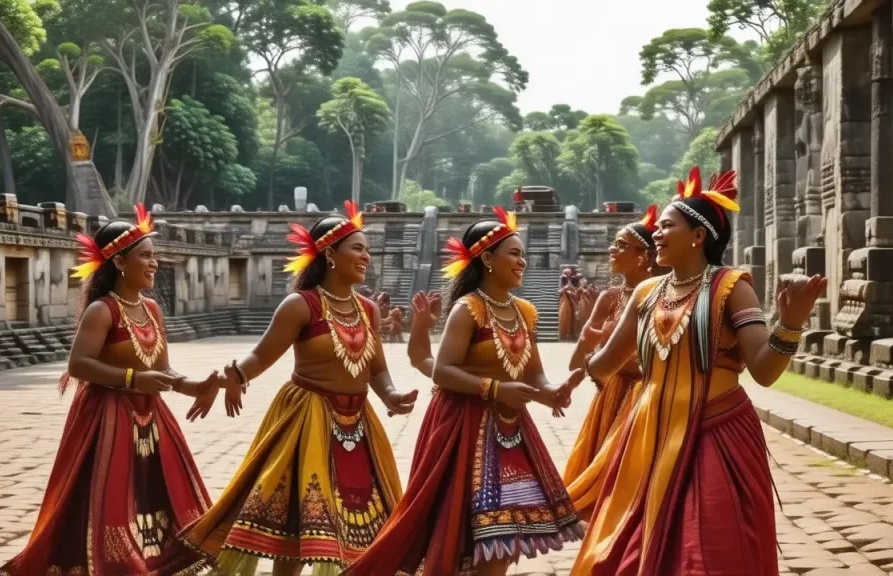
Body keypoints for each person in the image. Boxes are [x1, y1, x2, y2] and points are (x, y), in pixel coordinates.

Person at [571, 167, 826, 575]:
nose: (655, 233)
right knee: (629, 543)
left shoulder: (730, 287)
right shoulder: (646, 293)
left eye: (666, 225)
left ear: (698, 235)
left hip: (716, 432)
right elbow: (605, 364)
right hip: (649, 433)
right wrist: (588, 355)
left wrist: (791, 323)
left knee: (711, 546)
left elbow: (763, 371)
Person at [177, 202, 418, 576]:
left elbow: (377, 369)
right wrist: (234, 378)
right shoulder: (301, 305)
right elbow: (261, 356)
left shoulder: (369, 309)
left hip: (358, 423)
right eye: (358, 248)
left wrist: (391, 396)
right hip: (306, 417)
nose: (366, 256)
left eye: (367, 249)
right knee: (295, 517)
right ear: (329, 254)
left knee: (357, 516)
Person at [344, 208, 585, 576]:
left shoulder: (526, 312)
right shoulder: (468, 309)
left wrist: (552, 392)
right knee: (459, 525)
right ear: (487, 259)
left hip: (511, 430)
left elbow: (534, 373)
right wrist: (493, 388)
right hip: (462, 426)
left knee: (507, 528)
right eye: (514, 254)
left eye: (523, 254)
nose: (523, 261)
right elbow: (441, 371)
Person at [0, 205, 218, 576]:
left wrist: (193, 386)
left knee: (155, 491)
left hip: (151, 417)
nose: (154, 264)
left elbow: (161, 369)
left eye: (155, 256)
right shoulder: (103, 311)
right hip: (107, 417)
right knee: (107, 494)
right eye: (146, 256)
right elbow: (78, 365)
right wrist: (132, 379)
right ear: (119, 261)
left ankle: (155, 559)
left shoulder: (151, 310)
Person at [563, 204, 663, 520]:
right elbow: (576, 363)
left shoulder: (665, 294)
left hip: (650, 393)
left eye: (621, 245)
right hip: (613, 395)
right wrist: (589, 342)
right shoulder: (609, 299)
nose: (611, 249)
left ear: (644, 255)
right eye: (614, 243)